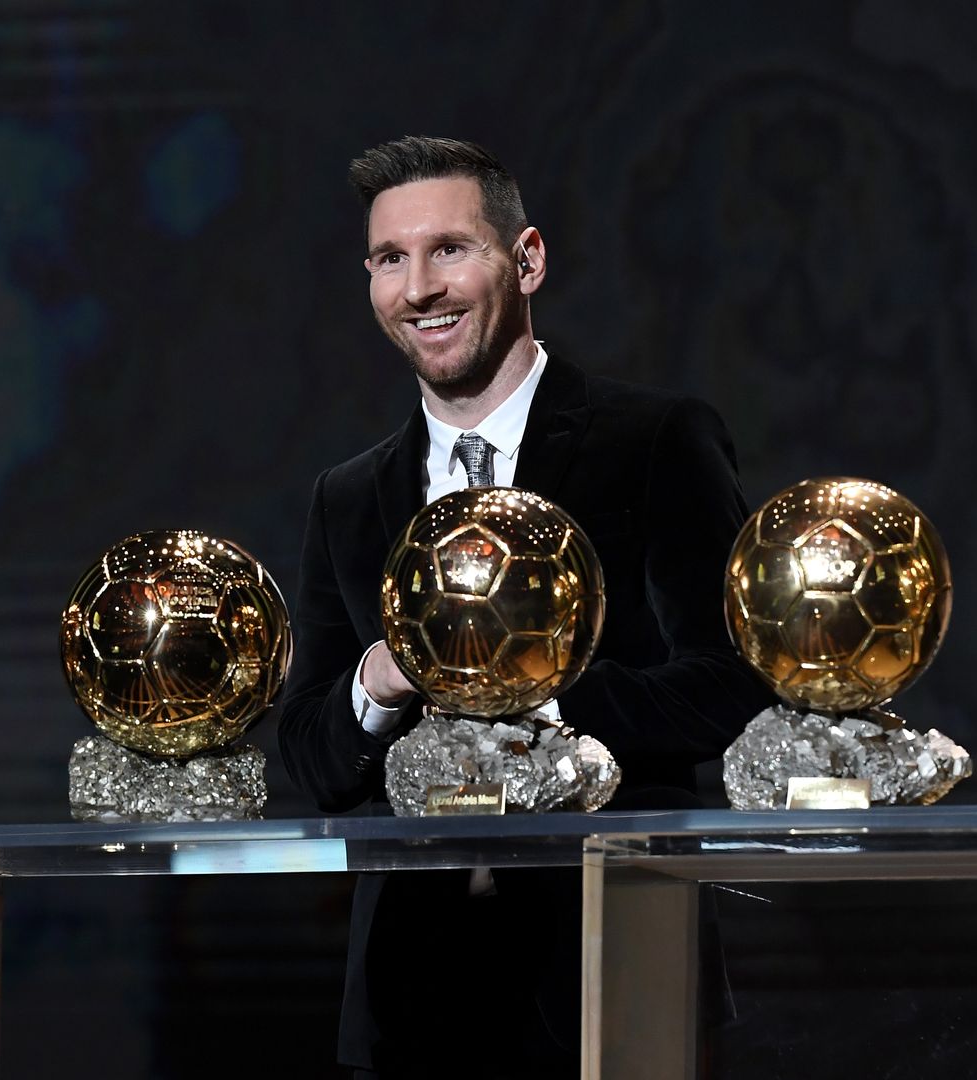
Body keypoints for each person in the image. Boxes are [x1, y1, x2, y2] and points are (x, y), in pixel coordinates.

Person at [274, 135, 773, 1078]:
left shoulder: (655, 440)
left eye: (448, 249)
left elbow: (734, 685)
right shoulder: (348, 497)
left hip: (613, 971)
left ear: (527, 259)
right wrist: (379, 680)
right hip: (407, 1004)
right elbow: (311, 755)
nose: (419, 288)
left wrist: (527, 695)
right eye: (389, 259)